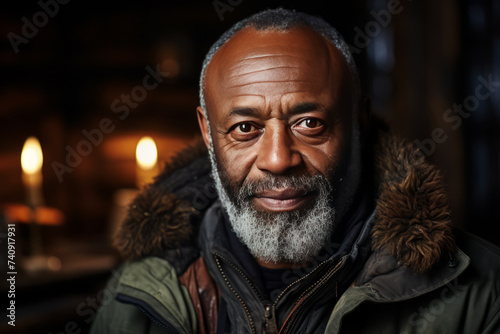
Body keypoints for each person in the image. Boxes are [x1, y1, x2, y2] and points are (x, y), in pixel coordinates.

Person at [90, 8, 500, 334]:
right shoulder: (138, 294)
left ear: (359, 122)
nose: (278, 158)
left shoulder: (479, 291)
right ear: (207, 133)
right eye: (245, 129)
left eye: (309, 123)